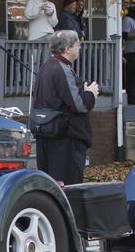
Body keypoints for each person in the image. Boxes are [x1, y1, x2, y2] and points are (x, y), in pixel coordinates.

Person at [32, 30, 98, 185]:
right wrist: (91, 94)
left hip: (47, 135)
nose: (80, 48)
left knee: (50, 188)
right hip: (65, 140)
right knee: (68, 189)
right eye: (78, 45)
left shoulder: (46, 67)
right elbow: (79, 104)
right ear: (68, 49)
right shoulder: (62, 69)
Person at [121, 5, 135, 97]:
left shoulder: (132, 21)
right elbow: (124, 35)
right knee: (131, 76)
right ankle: (130, 96)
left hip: (134, 51)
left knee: (134, 75)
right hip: (129, 51)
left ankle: (133, 95)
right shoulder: (127, 20)